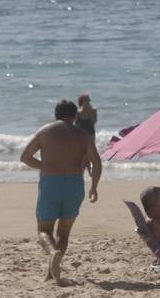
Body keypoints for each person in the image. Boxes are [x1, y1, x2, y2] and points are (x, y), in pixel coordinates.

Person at [19, 99, 102, 284]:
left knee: (43, 231)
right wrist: (94, 187)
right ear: (75, 115)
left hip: (51, 183)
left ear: (55, 114)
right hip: (74, 184)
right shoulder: (83, 135)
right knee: (63, 233)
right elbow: (96, 162)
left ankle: (52, 252)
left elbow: (25, 157)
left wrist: (46, 167)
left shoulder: (45, 131)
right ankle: (51, 273)